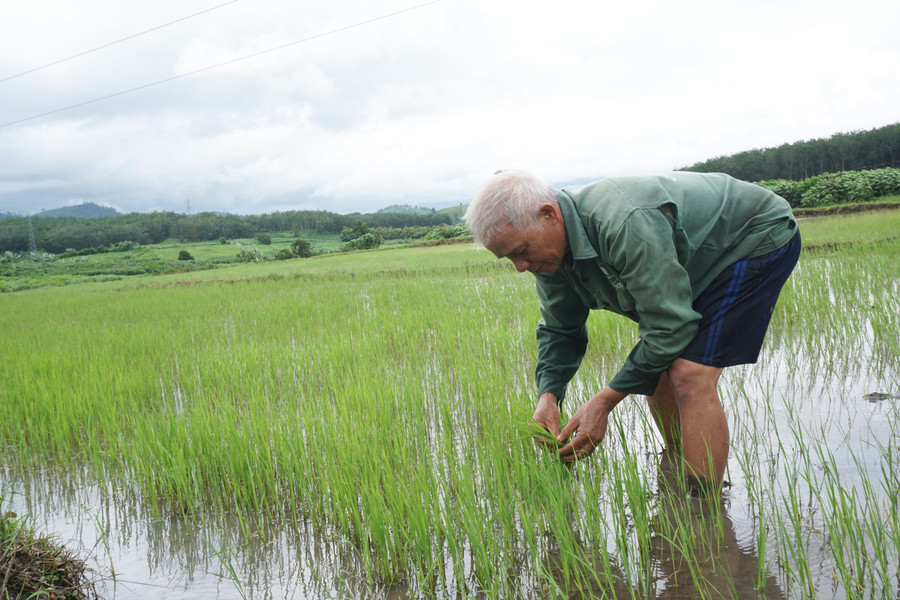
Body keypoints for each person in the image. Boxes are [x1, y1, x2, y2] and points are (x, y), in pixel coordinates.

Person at [463, 170, 800, 493]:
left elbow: (670, 326)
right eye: (509, 259)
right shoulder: (547, 256)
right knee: (657, 370)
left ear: (549, 214)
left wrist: (604, 401)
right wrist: (548, 395)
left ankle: (704, 510)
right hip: (692, 260)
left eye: (521, 252)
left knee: (689, 373)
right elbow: (559, 328)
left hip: (749, 238)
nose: (520, 267)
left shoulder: (623, 223)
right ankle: (681, 461)